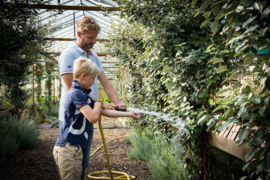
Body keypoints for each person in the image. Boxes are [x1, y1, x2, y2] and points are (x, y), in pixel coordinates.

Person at [58, 16, 124, 179]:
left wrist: (117, 103)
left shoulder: (93, 56)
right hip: (73, 118)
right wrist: (99, 104)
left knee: (84, 162)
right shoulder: (68, 54)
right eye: (90, 38)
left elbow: (106, 83)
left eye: (95, 37)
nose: (94, 41)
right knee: (72, 162)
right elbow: (71, 90)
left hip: (88, 115)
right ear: (79, 34)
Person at [53, 57, 140, 180]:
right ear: (83, 75)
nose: (94, 82)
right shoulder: (76, 93)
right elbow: (93, 118)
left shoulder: (82, 94)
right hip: (68, 149)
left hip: (73, 148)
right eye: (93, 78)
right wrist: (99, 103)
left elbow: (106, 112)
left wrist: (130, 114)